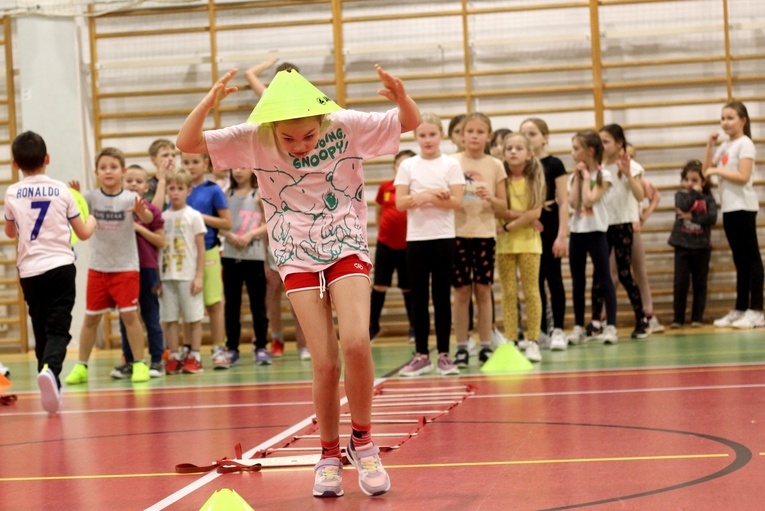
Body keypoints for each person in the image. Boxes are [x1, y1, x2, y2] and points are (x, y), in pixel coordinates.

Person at [177, 65, 420, 498]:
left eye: (308, 136)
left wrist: (401, 97)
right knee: (325, 360)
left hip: (345, 242)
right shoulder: (255, 136)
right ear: (272, 127)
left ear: (322, 121)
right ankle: (328, 455)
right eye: (288, 139)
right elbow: (187, 143)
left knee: (357, 342)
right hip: (294, 253)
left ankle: (362, 441)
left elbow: (411, 123)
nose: (299, 146)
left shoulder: (345, 124)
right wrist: (208, 102)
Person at [4, 131, 96, 413]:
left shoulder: (11, 192)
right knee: (59, 327)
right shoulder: (61, 190)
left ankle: (50, 379)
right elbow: (82, 232)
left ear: (15, 164)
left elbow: (10, 232)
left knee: (41, 326)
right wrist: (91, 217)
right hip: (59, 267)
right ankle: (50, 370)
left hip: (29, 271)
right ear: (47, 159)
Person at [64, 147, 154, 384]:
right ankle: (82, 366)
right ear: (96, 172)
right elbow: (76, 215)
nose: (108, 171)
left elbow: (149, 219)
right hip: (98, 268)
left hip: (125, 268)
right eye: (103, 168)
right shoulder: (91, 198)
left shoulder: (129, 198)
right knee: (91, 318)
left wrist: (141, 211)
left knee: (130, 317)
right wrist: (75, 197)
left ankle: (139, 364)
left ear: (122, 171)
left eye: (113, 167)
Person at [245, 56, 309, 358]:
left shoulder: (309, 103)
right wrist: (267, 61)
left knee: (305, 290)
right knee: (272, 290)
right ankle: (277, 338)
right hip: (275, 182)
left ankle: (305, 342)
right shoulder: (270, 100)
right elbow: (248, 74)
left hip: (300, 192)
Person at [395, 113, 465, 375]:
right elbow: (401, 203)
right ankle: (422, 355)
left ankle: (444, 355)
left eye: (432, 134)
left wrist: (427, 198)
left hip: (444, 238)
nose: (427, 140)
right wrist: (430, 194)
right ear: (415, 136)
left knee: (441, 298)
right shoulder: (408, 166)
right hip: (417, 240)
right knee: (419, 298)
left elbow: (457, 201)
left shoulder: (450, 165)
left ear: (441, 135)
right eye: (422, 135)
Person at [451, 113, 507, 366]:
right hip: (457, 233)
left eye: (479, 131)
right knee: (462, 291)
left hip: (485, 234)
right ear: (461, 135)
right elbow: (445, 198)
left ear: (489, 136)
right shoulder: (450, 162)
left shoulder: (495, 165)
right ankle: (462, 345)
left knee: (483, 290)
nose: (474, 136)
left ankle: (485, 344)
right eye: (469, 131)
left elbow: (503, 207)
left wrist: (490, 198)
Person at [705, 101, 764, 329]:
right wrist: (710, 146)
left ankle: (757, 310)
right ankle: (741, 308)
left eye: (730, 118)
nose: (725, 123)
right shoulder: (725, 146)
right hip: (729, 208)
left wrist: (719, 169)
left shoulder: (745, 144)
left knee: (752, 259)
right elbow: (705, 172)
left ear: (743, 120)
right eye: (722, 118)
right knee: (740, 261)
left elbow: (743, 175)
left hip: (744, 207)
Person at [589, 124, 650, 339]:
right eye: (600, 142)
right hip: (601, 226)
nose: (602, 146)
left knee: (624, 274)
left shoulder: (631, 166)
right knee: (598, 275)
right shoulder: (597, 168)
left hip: (622, 224)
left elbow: (640, 195)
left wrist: (627, 175)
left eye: (606, 142)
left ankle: (642, 319)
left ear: (619, 144)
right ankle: (595, 321)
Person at [111, 165, 166, 379]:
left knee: (151, 316)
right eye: (129, 180)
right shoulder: (116, 209)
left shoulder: (152, 212)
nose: (133, 184)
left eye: (138, 181)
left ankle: (157, 360)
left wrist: (139, 228)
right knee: (126, 317)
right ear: (122, 183)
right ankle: (131, 361)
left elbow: (161, 241)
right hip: (123, 269)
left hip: (146, 269)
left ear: (146, 187)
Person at [495, 134, 545, 362]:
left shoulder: (535, 178)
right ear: (503, 153)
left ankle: (533, 340)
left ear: (529, 154)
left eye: (518, 148)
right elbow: (500, 210)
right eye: (509, 148)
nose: (513, 152)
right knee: (508, 293)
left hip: (529, 243)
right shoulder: (500, 180)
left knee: (532, 291)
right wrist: (525, 217)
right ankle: (512, 340)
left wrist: (508, 227)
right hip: (505, 246)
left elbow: (537, 212)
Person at [519, 118, 568, 351]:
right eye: (524, 134)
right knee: (533, 281)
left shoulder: (555, 163)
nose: (528, 138)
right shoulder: (521, 164)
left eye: (533, 133)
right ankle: (541, 330)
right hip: (529, 222)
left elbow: (565, 201)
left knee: (553, 277)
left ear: (544, 137)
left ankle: (558, 329)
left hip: (550, 220)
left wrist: (562, 235)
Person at [567, 130, 618, 345]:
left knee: (604, 279)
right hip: (577, 233)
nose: (572, 153)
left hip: (597, 232)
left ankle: (611, 326)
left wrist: (587, 177)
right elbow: (573, 203)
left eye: (576, 148)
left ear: (589, 151)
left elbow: (589, 201)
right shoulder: (573, 176)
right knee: (578, 281)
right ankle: (578, 325)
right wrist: (578, 179)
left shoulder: (603, 175)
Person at [180, 152, 232, 366]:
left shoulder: (213, 190)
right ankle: (188, 350)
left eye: (195, 162)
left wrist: (197, 217)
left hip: (208, 250)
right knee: (186, 304)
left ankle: (219, 348)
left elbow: (227, 223)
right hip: (184, 253)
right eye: (185, 162)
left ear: (205, 164)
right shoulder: (178, 188)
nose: (190, 166)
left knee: (214, 303)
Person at [219, 167, 271, 366]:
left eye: (243, 166)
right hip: (231, 256)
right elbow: (219, 224)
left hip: (255, 257)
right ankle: (232, 348)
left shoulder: (259, 194)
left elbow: (270, 222)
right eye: (235, 167)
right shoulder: (225, 194)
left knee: (258, 305)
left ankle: (261, 347)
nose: (238, 171)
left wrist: (250, 235)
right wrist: (230, 236)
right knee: (231, 306)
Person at [159, 169, 207, 374]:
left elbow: (201, 247)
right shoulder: (162, 216)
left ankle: (194, 355)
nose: (175, 192)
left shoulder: (194, 216)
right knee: (170, 319)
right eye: (172, 188)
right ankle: (175, 355)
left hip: (188, 276)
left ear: (188, 191)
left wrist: (198, 276)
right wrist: (157, 279)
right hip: (167, 276)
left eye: (180, 188)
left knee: (193, 317)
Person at [369, 149, 416, 341]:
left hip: (409, 245)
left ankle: (414, 327)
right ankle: (373, 326)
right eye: (400, 165)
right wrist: (382, 231)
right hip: (385, 244)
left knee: (408, 287)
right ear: (394, 168)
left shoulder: (418, 190)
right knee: (379, 285)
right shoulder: (386, 188)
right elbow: (379, 211)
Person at [669, 160, 717, 327]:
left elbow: (712, 218)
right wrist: (694, 194)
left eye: (694, 180)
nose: (689, 183)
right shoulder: (680, 195)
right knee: (680, 283)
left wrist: (692, 217)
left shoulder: (709, 199)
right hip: (682, 245)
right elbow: (683, 205)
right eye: (687, 179)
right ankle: (678, 318)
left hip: (702, 246)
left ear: (703, 182)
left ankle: (697, 317)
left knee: (700, 283)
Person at [147, 138, 176, 208]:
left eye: (173, 155)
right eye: (165, 155)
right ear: (153, 160)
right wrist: (162, 180)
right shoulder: (149, 185)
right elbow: (154, 212)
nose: (170, 158)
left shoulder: (182, 181)